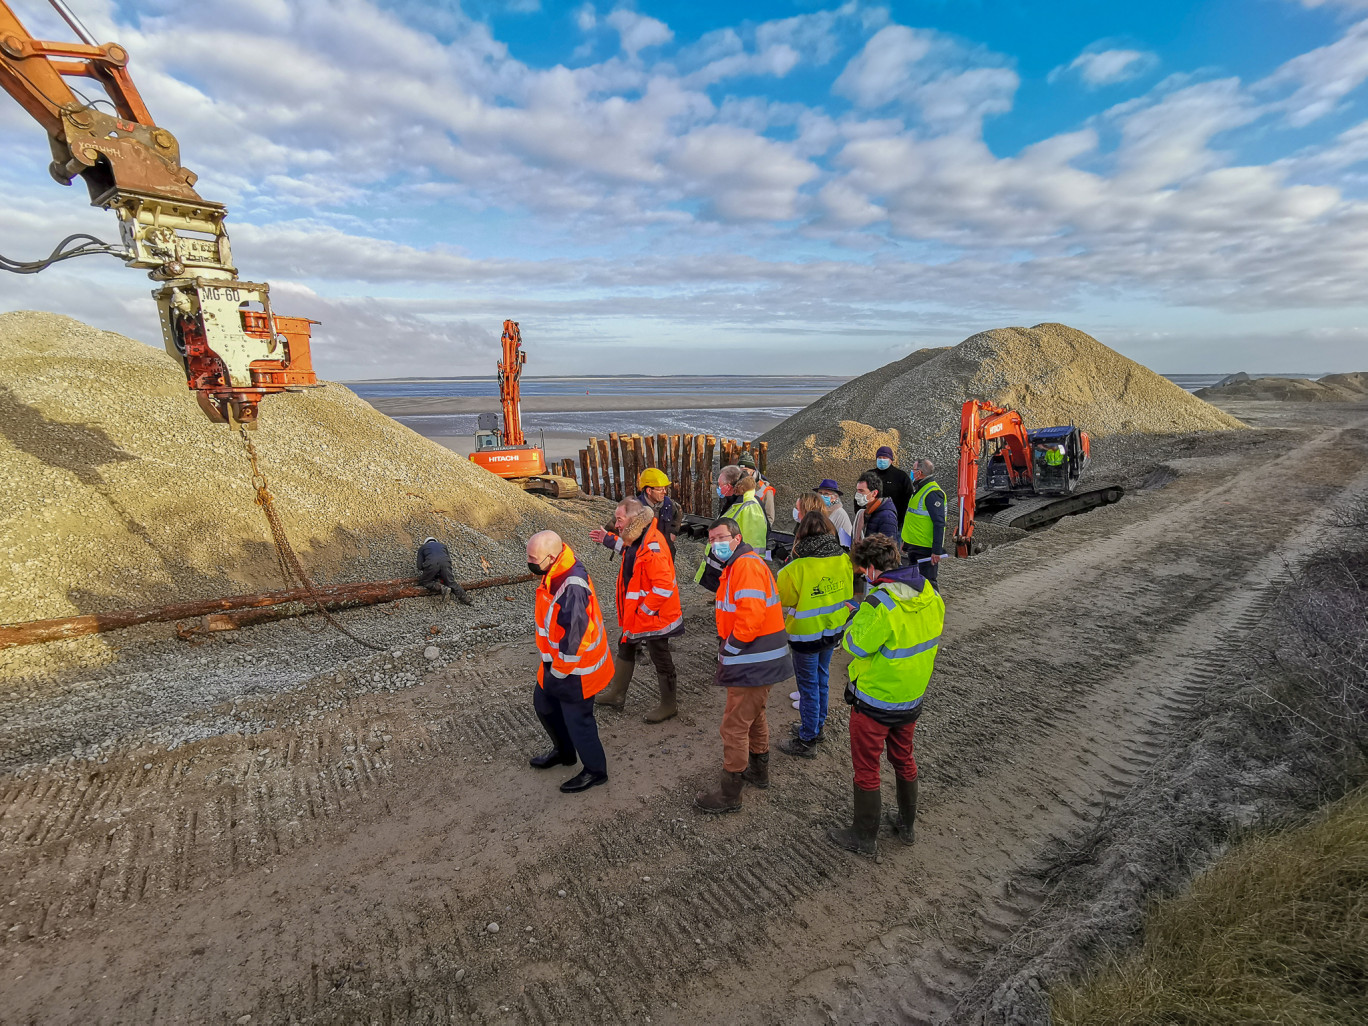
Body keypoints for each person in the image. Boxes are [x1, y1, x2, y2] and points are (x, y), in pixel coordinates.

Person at [830, 534, 945, 856]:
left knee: (867, 767)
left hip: (875, 701)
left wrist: (853, 618)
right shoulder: (931, 594)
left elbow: (855, 646)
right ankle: (906, 826)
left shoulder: (880, 603)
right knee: (903, 758)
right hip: (910, 697)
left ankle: (864, 837)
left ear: (869, 570)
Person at [695, 518, 794, 813]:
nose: (716, 544)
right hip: (760, 658)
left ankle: (730, 793)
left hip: (752, 658)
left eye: (721, 538)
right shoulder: (740, 565)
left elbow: (749, 620)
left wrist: (729, 650)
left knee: (734, 726)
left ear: (737, 538)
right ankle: (758, 771)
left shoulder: (745, 567)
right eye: (712, 540)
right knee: (754, 716)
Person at [526, 531, 613, 793]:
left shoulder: (572, 585)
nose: (529, 562)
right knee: (544, 705)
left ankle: (596, 771)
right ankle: (564, 753)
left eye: (532, 558)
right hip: (555, 662)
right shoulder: (554, 571)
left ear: (551, 557)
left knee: (579, 721)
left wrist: (560, 672)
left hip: (576, 668)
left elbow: (575, 637)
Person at [590, 498, 684, 723]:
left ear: (633, 519)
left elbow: (664, 585)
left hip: (653, 617)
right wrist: (609, 540)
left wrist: (644, 612)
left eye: (619, 519)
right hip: (640, 614)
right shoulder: (641, 535)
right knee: (626, 646)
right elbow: (630, 549)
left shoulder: (653, 546)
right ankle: (617, 694)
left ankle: (669, 705)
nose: (616, 524)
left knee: (660, 656)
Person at [776, 512, 853, 758]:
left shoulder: (795, 567)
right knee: (822, 678)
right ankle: (817, 726)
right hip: (832, 631)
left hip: (805, 637)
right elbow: (848, 591)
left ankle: (808, 739)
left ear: (801, 536)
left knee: (808, 687)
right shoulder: (843, 559)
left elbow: (784, 599)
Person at [695, 465, 769, 590]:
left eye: (720, 485)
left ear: (729, 486)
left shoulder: (749, 506)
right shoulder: (735, 502)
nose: (718, 489)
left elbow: (754, 545)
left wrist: (742, 573)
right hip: (728, 570)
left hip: (738, 571)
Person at [901, 459, 947, 589]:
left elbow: (939, 523)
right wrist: (907, 543)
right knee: (915, 583)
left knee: (928, 583)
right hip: (915, 545)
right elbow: (914, 519)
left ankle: (935, 608)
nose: (911, 472)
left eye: (913, 470)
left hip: (925, 548)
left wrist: (936, 551)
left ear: (919, 473)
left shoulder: (932, 493)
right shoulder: (919, 489)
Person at [867, 446, 914, 529]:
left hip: (894, 522)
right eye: (879, 457)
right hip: (872, 521)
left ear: (891, 460)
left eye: (884, 457)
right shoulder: (869, 475)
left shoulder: (901, 476)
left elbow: (908, 498)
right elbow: (860, 495)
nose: (881, 460)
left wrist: (901, 520)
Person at [415, 537, 472, 604]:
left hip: (432, 564)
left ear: (426, 543)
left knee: (424, 582)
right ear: (435, 541)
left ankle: (441, 587)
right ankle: (466, 599)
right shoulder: (443, 546)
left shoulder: (422, 548)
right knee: (451, 582)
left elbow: (419, 566)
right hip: (446, 563)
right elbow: (448, 559)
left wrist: (427, 569)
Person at [636, 467, 678, 556]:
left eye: (665, 488)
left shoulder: (668, 503)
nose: (665, 492)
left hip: (666, 552)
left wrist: (673, 531)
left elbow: (678, 513)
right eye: (660, 489)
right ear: (649, 491)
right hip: (645, 555)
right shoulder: (635, 508)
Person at [851, 471, 898, 547]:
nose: (857, 495)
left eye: (861, 491)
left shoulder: (887, 516)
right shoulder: (867, 512)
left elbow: (888, 549)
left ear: (874, 493)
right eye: (857, 490)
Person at [737, 451, 776, 526]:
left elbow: (769, 518)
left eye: (745, 471)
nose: (742, 474)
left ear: (753, 471)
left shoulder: (765, 489)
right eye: (740, 471)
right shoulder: (736, 485)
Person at [816, 479, 853, 546]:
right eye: (820, 493)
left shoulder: (840, 513)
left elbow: (846, 541)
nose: (821, 496)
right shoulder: (817, 510)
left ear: (834, 497)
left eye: (826, 494)